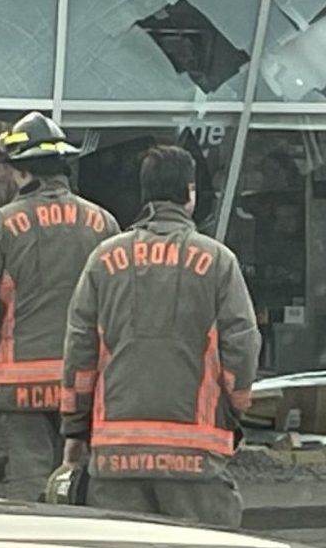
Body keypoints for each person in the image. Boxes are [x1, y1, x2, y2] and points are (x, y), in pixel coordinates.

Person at [61, 145, 260, 528]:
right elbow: (242, 345)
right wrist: (235, 411)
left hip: (117, 451)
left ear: (144, 194)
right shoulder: (218, 262)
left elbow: (80, 350)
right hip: (195, 453)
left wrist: (75, 427)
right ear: (190, 193)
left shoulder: (104, 260)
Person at [0, 113, 119, 502]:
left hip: (19, 385)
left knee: (28, 495)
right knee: (85, 489)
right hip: (86, 384)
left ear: (20, 171)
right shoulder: (103, 223)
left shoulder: (0, 225)